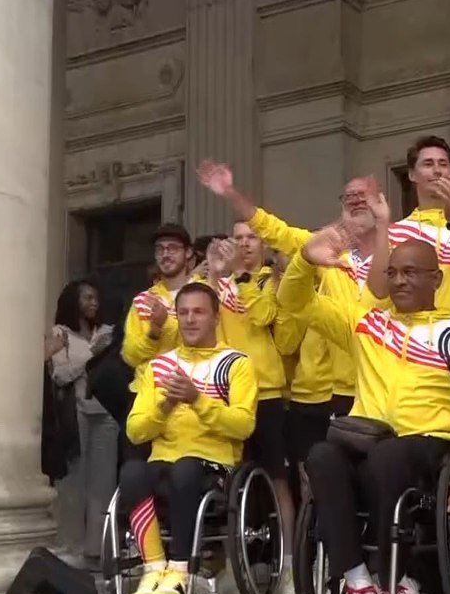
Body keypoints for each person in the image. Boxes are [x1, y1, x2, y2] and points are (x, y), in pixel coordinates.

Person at [279, 225, 450, 594]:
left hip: (430, 449)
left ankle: (397, 585)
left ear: (436, 279)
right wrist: (304, 260)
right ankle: (359, 586)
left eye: (412, 272)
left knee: (390, 457)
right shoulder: (366, 325)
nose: (399, 279)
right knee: (321, 456)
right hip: (367, 440)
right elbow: (295, 303)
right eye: (393, 272)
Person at [199, 162, 377, 419]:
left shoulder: (400, 253)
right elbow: (273, 229)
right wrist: (230, 193)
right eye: (350, 197)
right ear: (341, 207)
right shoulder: (325, 250)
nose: (357, 201)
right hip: (342, 390)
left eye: (364, 195)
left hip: (387, 378)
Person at [119, 282, 258, 594]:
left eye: (199, 312)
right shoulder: (160, 366)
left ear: (215, 317)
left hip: (214, 464)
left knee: (185, 470)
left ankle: (180, 571)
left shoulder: (236, 363)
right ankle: (154, 568)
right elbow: (135, 431)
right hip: (164, 461)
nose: (190, 320)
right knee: (132, 472)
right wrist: (165, 406)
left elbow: (243, 425)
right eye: (183, 313)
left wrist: (196, 400)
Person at [203, 231, 299, 594]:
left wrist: (241, 280)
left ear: (263, 246)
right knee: (229, 481)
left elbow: (264, 317)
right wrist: (215, 274)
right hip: (227, 392)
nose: (244, 244)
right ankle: (232, 567)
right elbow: (201, 319)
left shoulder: (271, 281)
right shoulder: (218, 282)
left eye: (252, 238)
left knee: (279, 480)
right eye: (237, 237)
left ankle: (289, 566)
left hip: (268, 391)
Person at [365, 136, 450, 333]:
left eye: (443, 164)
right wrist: (382, 225)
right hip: (411, 348)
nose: (437, 170)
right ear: (412, 174)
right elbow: (378, 290)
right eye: (428, 164)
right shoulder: (395, 232)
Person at [48, 279, 118, 567]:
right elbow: (60, 376)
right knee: (73, 484)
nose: (94, 302)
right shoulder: (60, 334)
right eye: (87, 297)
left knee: (103, 485)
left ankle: (96, 553)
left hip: (107, 415)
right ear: (72, 302)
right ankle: (70, 550)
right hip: (75, 414)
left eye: (96, 297)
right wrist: (93, 352)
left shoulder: (107, 333)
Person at [121, 224, 195, 384]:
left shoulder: (203, 293)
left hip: (192, 390)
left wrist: (166, 324)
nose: (165, 254)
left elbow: (204, 344)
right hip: (147, 392)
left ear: (188, 252)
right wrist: (154, 332)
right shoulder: (143, 300)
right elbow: (130, 355)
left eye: (172, 248)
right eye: (159, 249)